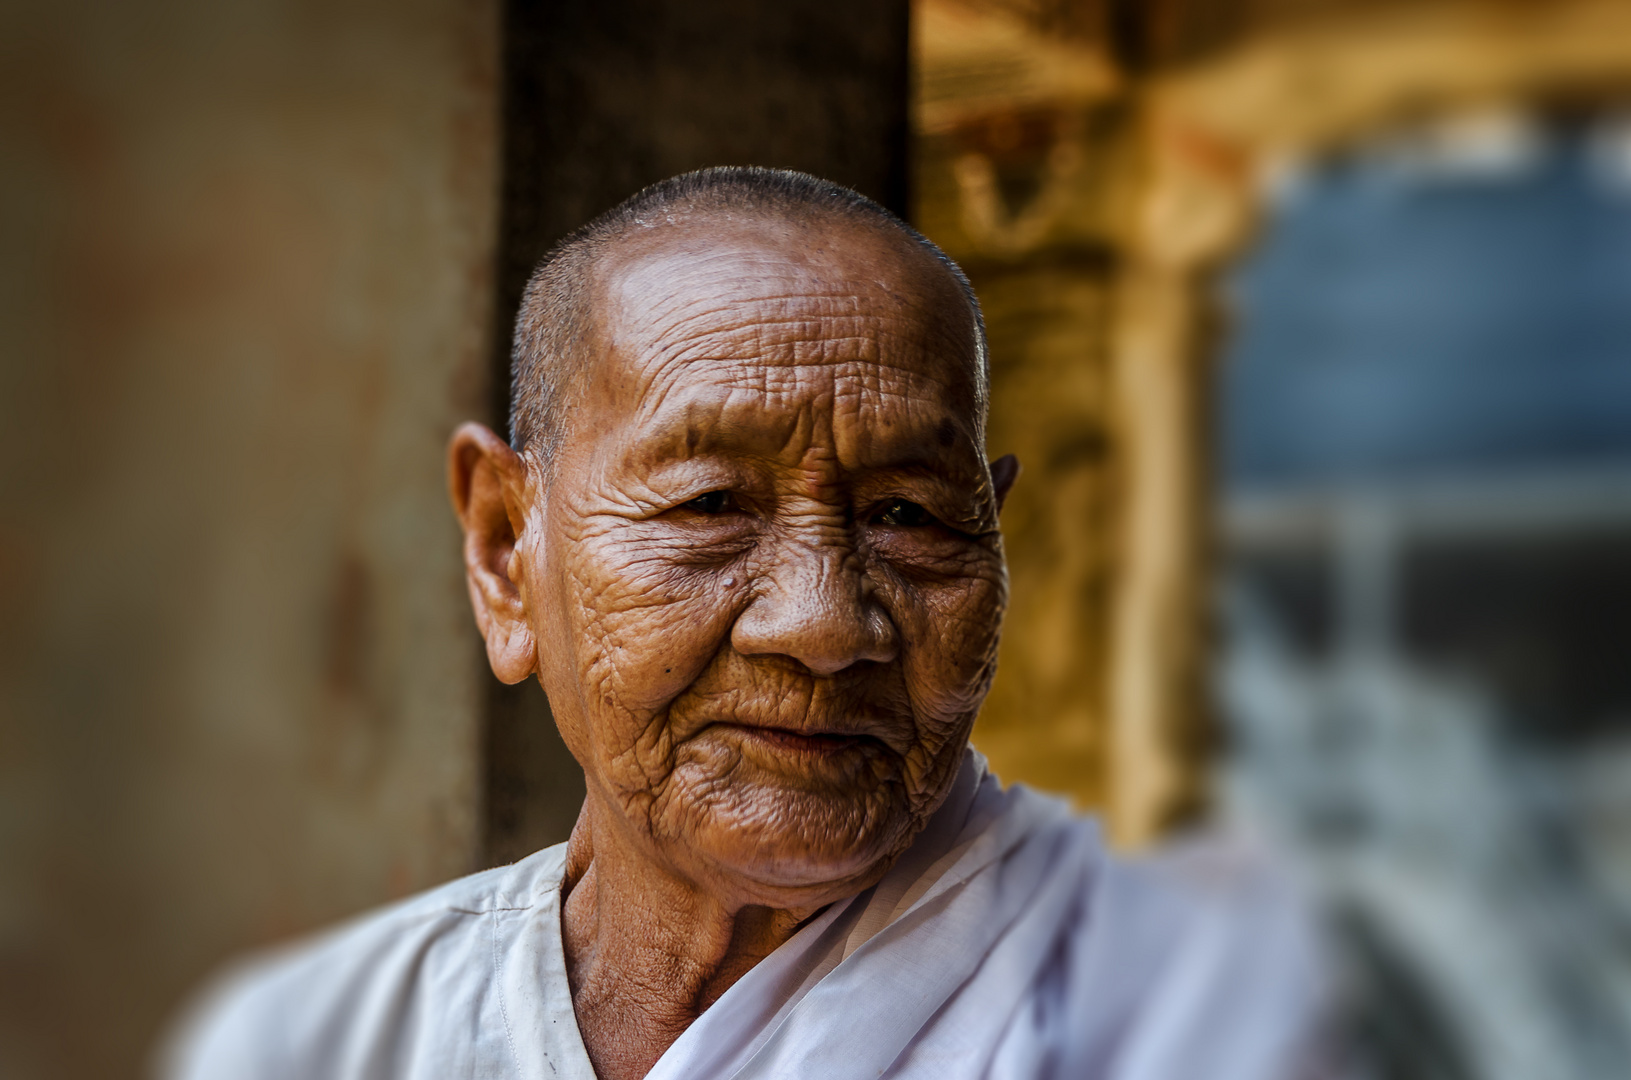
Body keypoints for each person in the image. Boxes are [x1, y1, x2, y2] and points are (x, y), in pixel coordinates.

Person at [163, 167, 1326, 1080]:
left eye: (908, 515)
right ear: (505, 552)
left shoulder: (1187, 1021)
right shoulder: (324, 1047)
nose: (824, 624)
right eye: (711, 506)